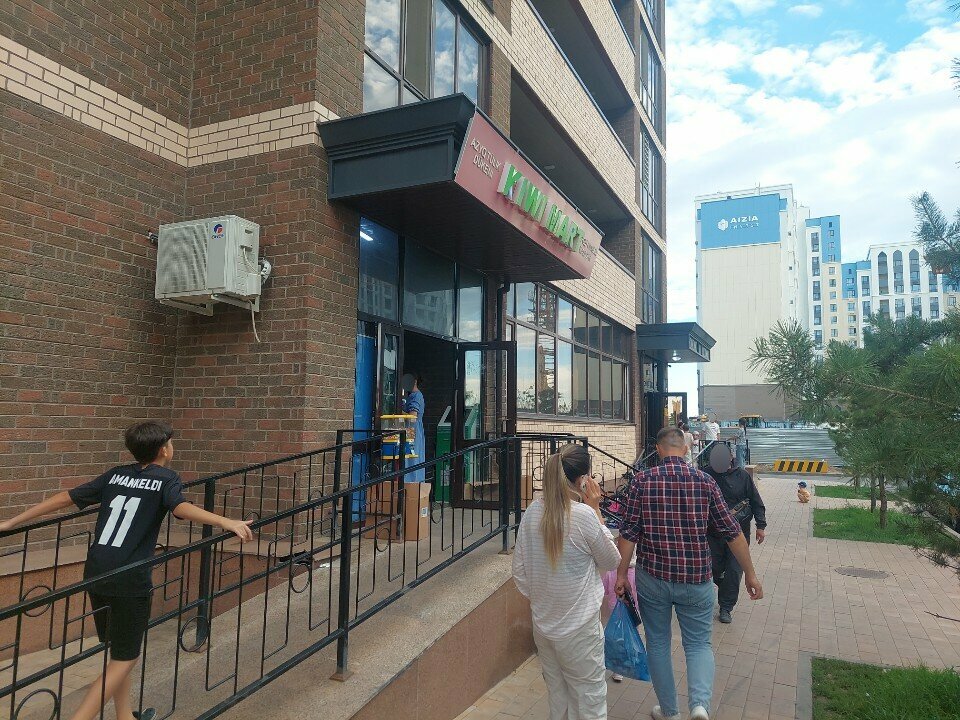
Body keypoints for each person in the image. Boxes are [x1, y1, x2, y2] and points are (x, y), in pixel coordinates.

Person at [0, 421, 254, 720]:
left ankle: (125, 716)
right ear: (164, 450)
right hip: (130, 577)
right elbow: (180, 508)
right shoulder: (167, 478)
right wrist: (225, 521)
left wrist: (12, 522)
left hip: (96, 571)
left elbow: (66, 497)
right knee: (126, 659)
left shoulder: (115, 474)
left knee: (118, 650)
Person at [615, 427, 763, 720]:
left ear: (658, 450)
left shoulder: (642, 481)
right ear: (685, 449)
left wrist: (621, 575)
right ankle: (699, 706)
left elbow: (628, 534)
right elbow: (732, 532)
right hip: (696, 578)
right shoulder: (705, 482)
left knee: (658, 644)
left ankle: (670, 713)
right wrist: (751, 574)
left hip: (653, 577)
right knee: (698, 644)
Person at [513, 444, 620, 720]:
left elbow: (520, 572)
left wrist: (544, 599)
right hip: (580, 629)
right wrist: (596, 510)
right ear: (583, 480)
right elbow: (612, 560)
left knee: (558, 696)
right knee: (589, 698)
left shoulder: (531, 513)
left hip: (544, 625)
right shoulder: (584, 516)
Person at [704, 444, 767, 624]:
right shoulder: (704, 475)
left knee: (734, 570)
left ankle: (726, 606)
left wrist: (761, 525)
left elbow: (755, 501)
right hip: (712, 533)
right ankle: (721, 583)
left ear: (731, 457)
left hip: (738, 533)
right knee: (714, 568)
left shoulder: (742, 476)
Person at [401, 372, 426, 483]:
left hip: (412, 429)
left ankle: (411, 483)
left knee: (411, 455)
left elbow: (413, 416)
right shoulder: (414, 395)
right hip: (413, 429)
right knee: (412, 454)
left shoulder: (416, 396)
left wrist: (399, 411)